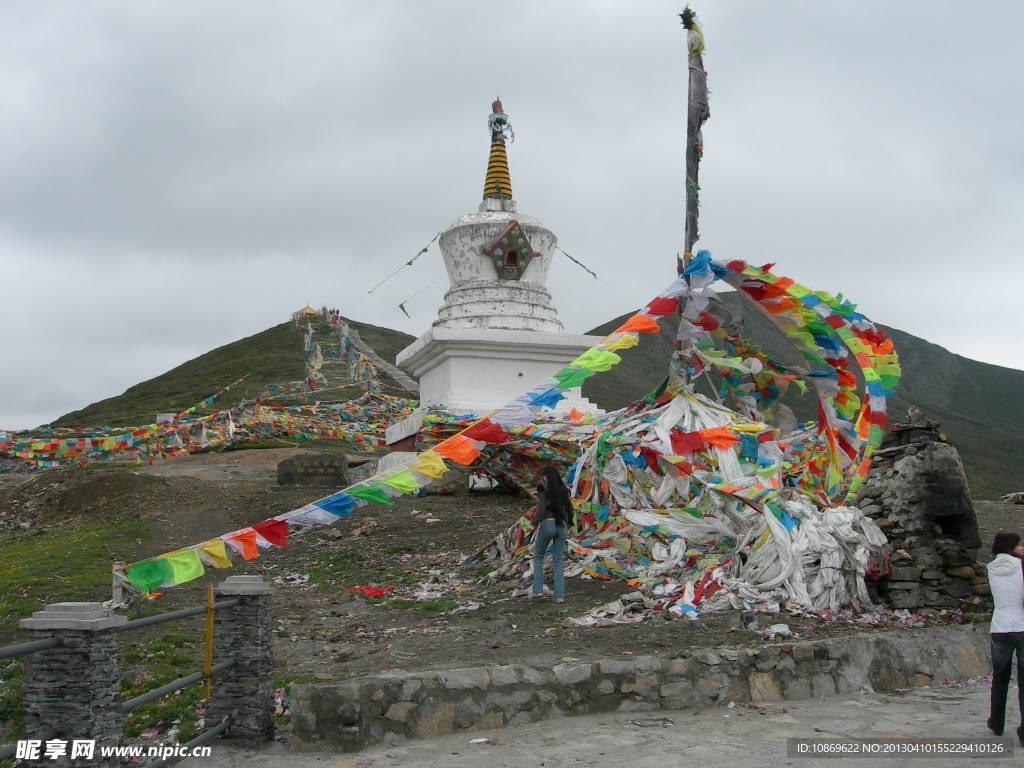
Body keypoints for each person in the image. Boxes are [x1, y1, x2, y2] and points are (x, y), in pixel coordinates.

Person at [986, 531, 1024, 741]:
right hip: (1022, 626)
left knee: (1000, 679)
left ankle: (997, 723)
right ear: (1012, 547)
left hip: (999, 627)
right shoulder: (1021, 566)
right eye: (1019, 544)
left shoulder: (991, 568)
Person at [531, 465, 573, 602]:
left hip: (548, 523)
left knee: (538, 556)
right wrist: (569, 524)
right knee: (558, 560)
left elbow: (541, 506)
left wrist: (534, 523)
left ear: (546, 476)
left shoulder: (542, 488)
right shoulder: (564, 489)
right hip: (562, 525)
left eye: (543, 475)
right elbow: (569, 508)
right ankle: (560, 595)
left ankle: (537, 590)